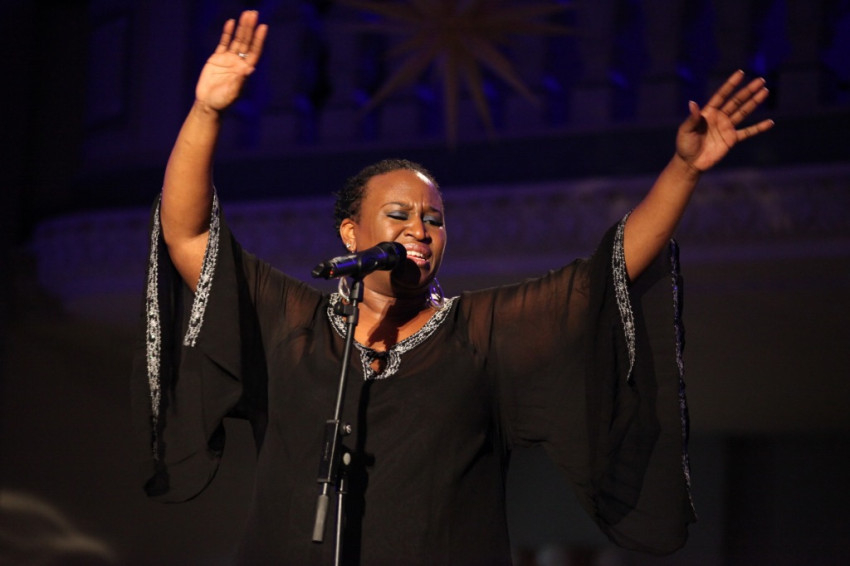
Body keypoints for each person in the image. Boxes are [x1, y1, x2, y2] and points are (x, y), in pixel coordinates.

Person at [132, 10, 773, 566]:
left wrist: (684, 169)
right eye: (400, 215)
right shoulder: (291, 322)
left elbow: (604, 276)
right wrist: (206, 111)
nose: (420, 229)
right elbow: (188, 235)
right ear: (351, 233)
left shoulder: (482, 335)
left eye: (434, 220)